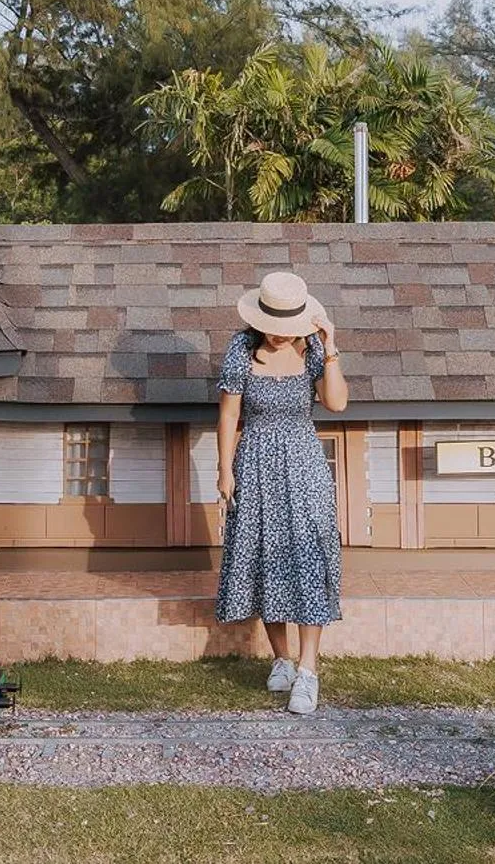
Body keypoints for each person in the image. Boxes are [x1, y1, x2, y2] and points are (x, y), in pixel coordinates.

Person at [214, 270, 350, 715]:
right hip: (254, 460)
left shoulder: (312, 350)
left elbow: (336, 403)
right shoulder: (240, 349)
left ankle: (309, 671)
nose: (276, 335)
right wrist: (224, 469)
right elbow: (229, 414)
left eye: (284, 327)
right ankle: (282, 658)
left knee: (309, 555)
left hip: (304, 462)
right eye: (270, 325)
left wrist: (330, 350)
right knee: (265, 556)